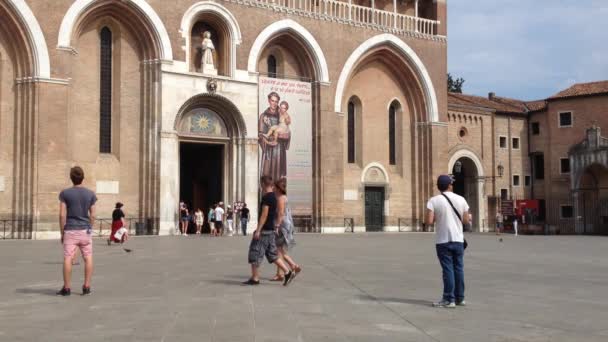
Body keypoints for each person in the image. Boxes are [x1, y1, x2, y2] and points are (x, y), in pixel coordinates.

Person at [425, 175, 470, 308]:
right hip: (458, 240)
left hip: (443, 240)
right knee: (459, 268)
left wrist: (439, 217)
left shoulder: (433, 201)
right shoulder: (461, 199)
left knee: (447, 270)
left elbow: (429, 221)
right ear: (449, 185)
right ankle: (460, 298)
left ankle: (449, 299)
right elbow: (466, 221)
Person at [243, 176, 295, 286]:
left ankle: (255, 278)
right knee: (272, 254)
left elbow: (264, 215)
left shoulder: (267, 198)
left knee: (255, 252)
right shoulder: (274, 198)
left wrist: (258, 230)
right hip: (271, 230)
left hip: (265, 230)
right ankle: (287, 272)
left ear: (262, 184)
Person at [57, 166, 97, 296]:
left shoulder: (65, 193)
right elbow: (93, 215)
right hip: (85, 230)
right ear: (83, 178)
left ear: (71, 178)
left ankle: (67, 288)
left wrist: (62, 232)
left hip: (71, 230)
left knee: (68, 258)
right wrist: (90, 228)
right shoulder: (90, 194)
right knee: (88, 258)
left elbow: (62, 215)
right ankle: (86, 287)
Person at [271, 178, 302, 282]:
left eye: (274, 186)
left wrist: (276, 226)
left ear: (278, 188)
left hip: (282, 226)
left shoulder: (280, 198)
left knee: (278, 250)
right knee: (280, 250)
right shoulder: (284, 197)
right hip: (287, 225)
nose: (273, 188)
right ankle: (288, 269)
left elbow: (280, 214)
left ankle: (291, 267)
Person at [259, 92, 291, 182]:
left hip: (280, 150)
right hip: (268, 150)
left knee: (279, 177)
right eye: (272, 101)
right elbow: (260, 134)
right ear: (269, 101)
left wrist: (285, 136)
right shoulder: (263, 116)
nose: (274, 103)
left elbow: (287, 130)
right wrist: (268, 141)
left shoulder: (281, 114)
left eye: (276, 101)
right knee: (267, 176)